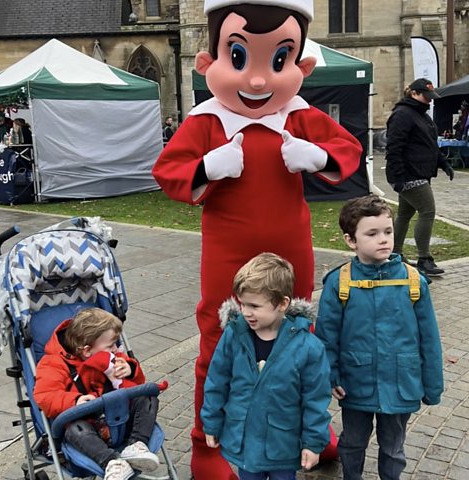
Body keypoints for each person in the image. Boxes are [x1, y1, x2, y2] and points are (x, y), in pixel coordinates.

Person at [152, 1, 361, 476]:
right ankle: (212, 447)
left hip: (291, 252)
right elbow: (167, 172)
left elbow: (347, 150)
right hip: (228, 253)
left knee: (297, 337)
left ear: (301, 66)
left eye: (279, 61)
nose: (259, 81)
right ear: (209, 61)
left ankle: (308, 433)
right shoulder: (206, 120)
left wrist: (317, 155)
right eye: (240, 58)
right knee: (221, 338)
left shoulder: (299, 114)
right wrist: (208, 167)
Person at [315, 195, 444, 480]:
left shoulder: (413, 280)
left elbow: (429, 340)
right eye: (372, 234)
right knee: (352, 442)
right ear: (351, 240)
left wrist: (432, 386)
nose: (383, 239)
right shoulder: (339, 282)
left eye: (388, 231)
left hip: (402, 383)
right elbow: (326, 337)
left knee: (394, 448)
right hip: (354, 384)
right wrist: (331, 377)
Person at [202, 252, 332, 480]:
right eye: (242, 304)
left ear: (282, 303)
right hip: (245, 441)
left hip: (283, 444)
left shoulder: (308, 347)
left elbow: (315, 398)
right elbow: (216, 381)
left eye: (254, 305)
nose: (245, 312)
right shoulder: (235, 335)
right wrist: (211, 422)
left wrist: (313, 442)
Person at [34, 308, 160, 480]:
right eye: (111, 345)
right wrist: (76, 400)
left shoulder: (114, 357)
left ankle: (137, 445)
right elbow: (45, 396)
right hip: (88, 429)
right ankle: (112, 462)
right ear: (86, 351)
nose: (116, 349)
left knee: (147, 397)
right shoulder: (53, 364)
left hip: (120, 421)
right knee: (73, 428)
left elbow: (136, 384)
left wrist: (130, 369)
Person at [385, 77, 454, 276]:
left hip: (418, 172)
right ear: (413, 94)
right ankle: (424, 259)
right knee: (427, 211)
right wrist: (397, 177)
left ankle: (394, 253)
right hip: (408, 174)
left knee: (406, 214)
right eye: (426, 96)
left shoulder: (421, 115)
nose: (430, 100)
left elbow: (430, 145)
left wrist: (443, 163)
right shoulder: (402, 115)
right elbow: (394, 148)